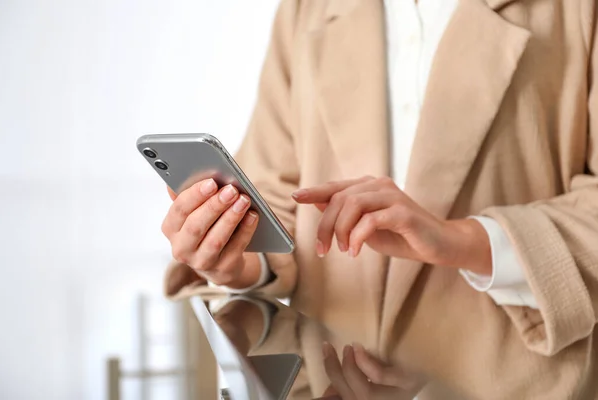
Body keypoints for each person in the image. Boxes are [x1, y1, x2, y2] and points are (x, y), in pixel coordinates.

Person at [163, 0, 598, 398]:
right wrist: (238, 259)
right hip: (330, 379)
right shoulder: (306, 8)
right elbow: (279, 195)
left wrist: (462, 239)